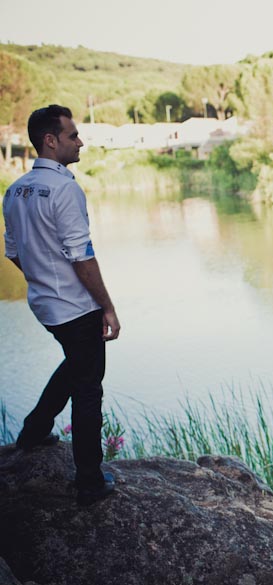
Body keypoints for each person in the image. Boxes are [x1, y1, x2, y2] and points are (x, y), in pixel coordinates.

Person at [4, 105, 121, 505]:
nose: (80, 141)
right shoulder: (65, 188)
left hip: (45, 306)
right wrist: (107, 306)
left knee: (76, 365)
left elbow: (13, 251)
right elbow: (81, 257)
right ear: (50, 140)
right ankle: (89, 481)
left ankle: (35, 430)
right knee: (89, 389)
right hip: (75, 307)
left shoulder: (15, 189)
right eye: (73, 135)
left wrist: (40, 278)